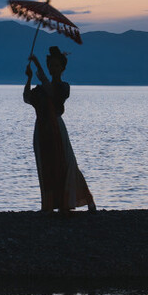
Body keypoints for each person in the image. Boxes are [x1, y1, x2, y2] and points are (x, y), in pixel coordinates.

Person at [23, 46, 96, 213]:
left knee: (67, 164)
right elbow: (27, 98)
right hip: (42, 130)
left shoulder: (64, 87)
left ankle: (83, 200)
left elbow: (52, 92)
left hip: (56, 129)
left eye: (56, 66)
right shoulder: (41, 89)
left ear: (62, 68)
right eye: (51, 66)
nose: (53, 69)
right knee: (46, 165)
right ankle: (50, 204)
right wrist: (28, 78)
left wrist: (37, 65)